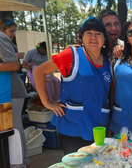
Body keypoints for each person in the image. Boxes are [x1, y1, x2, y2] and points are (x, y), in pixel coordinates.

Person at [34, 17, 112, 154]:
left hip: (99, 126)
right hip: (73, 127)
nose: (94, 37)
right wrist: (47, 102)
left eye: (98, 34)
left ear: (104, 38)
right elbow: (38, 71)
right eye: (89, 33)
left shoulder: (108, 61)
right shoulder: (71, 55)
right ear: (82, 36)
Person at [0, 17, 29, 168]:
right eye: (11, 31)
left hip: (10, 92)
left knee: (14, 131)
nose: (13, 35)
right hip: (9, 92)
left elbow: (12, 65)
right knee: (13, 130)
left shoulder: (1, 37)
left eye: (14, 32)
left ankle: (21, 163)